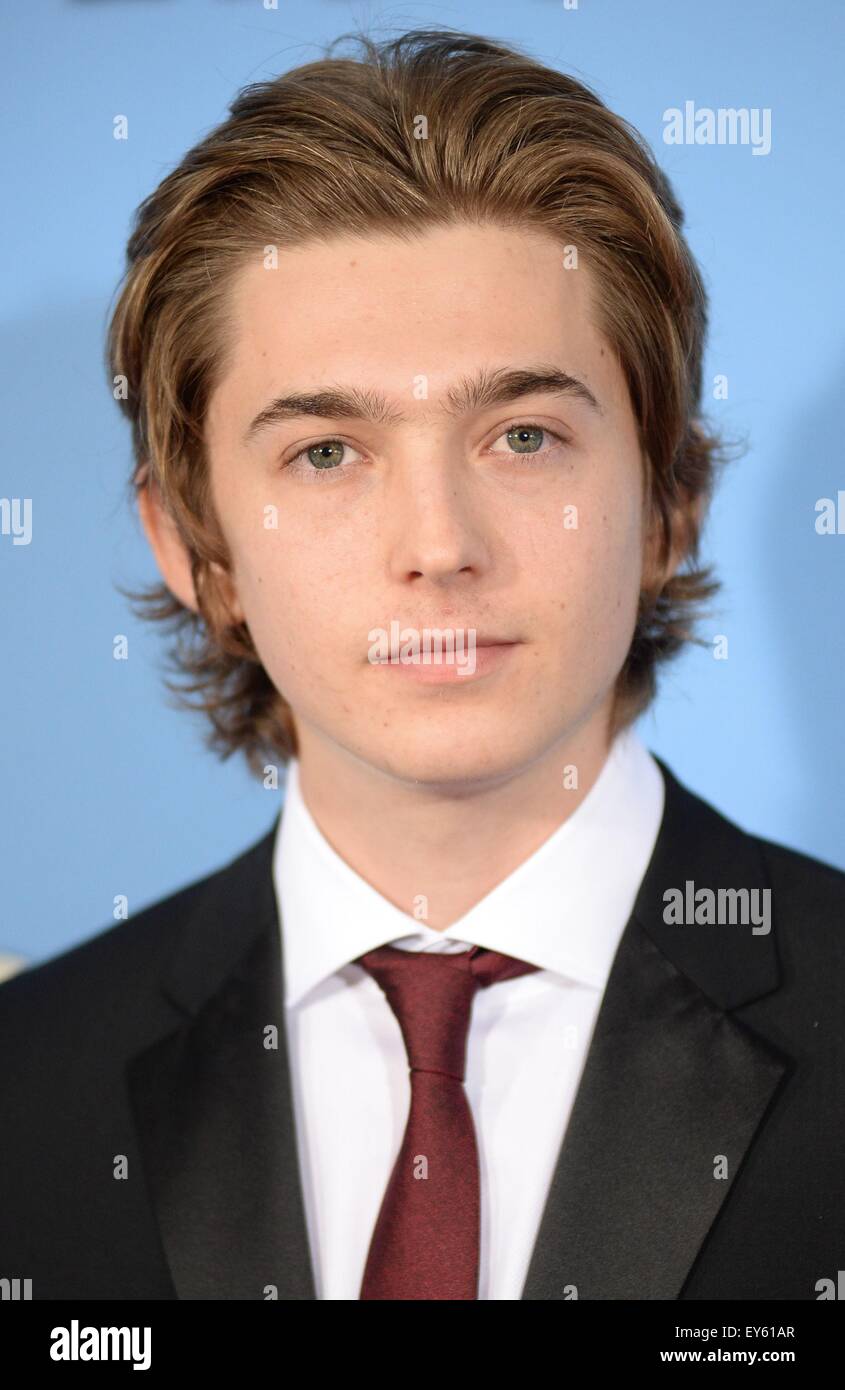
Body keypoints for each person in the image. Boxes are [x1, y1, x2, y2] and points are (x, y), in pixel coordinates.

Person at [1, 27, 843, 1302]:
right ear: (196, 548)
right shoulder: (26, 1081)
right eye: (326, 453)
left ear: (669, 504)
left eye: (521, 434)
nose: (438, 545)